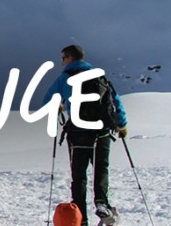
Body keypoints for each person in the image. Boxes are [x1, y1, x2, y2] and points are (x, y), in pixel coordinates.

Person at [43, 44, 129, 226]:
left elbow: (47, 100)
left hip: (79, 133)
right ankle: (102, 203)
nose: (62, 62)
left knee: (79, 175)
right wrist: (122, 125)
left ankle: (80, 217)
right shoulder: (99, 76)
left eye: (63, 58)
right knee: (101, 169)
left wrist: (58, 105)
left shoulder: (65, 78)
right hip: (102, 132)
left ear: (69, 58)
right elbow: (115, 100)